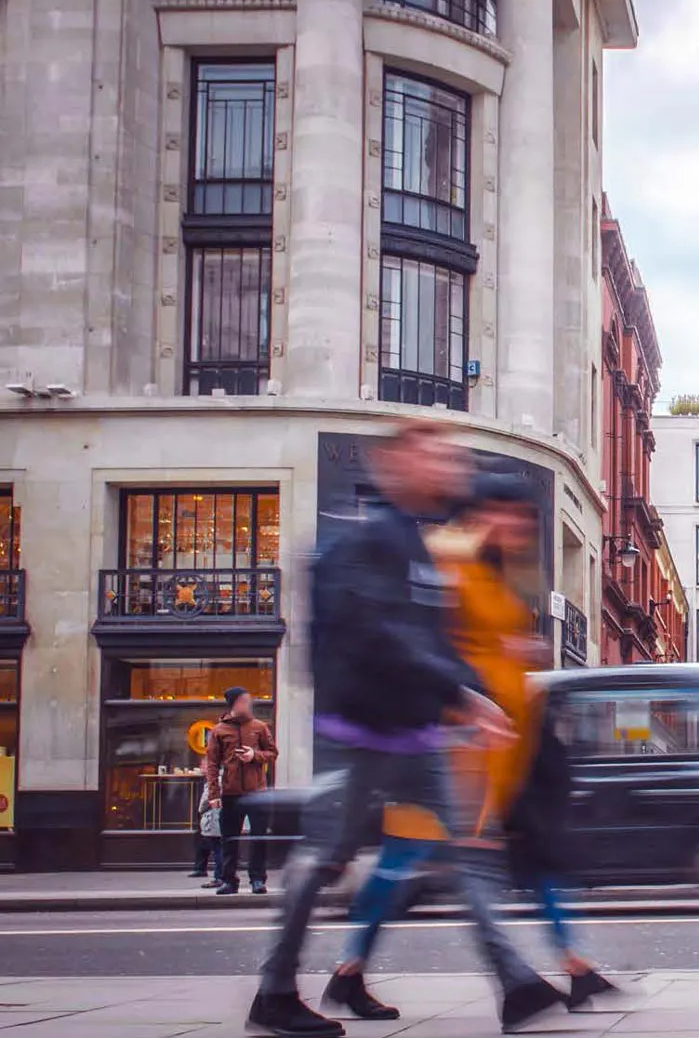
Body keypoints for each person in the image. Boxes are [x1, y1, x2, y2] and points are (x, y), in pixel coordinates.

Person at [247, 421, 561, 1038]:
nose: (450, 468)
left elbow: (435, 641)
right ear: (395, 462)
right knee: (324, 859)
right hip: (361, 732)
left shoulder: (419, 545)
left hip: (417, 734)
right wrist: (463, 696)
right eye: (436, 456)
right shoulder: (369, 540)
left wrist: (473, 693)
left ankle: (517, 983)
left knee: (471, 856)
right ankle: (276, 990)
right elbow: (380, 634)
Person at [331, 473, 616, 1012]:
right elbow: (424, 642)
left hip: (500, 746)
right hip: (451, 743)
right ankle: (518, 983)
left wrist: (517, 652)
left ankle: (353, 970)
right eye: (508, 513)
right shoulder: (449, 557)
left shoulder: (496, 568)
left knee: (443, 861)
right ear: (482, 511)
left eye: (525, 518)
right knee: (413, 860)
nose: (520, 526)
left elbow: (478, 642)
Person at [208, 686, 277, 895]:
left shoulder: (260, 727)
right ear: (234, 704)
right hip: (230, 793)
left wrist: (254, 755)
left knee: (259, 837)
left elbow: (273, 753)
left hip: (257, 792)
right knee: (229, 839)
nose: (248, 704)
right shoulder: (219, 731)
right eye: (244, 701)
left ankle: (257, 879)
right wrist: (213, 794)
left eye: (249, 700)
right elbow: (211, 764)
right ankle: (229, 881)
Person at [192, 750, 220, 887]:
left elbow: (206, 800)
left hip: (213, 819)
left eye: (204, 764)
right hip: (217, 819)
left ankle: (219, 877)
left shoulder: (214, 780)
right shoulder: (224, 777)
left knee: (217, 849)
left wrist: (200, 810)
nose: (202, 767)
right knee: (217, 847)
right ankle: (205, 869)